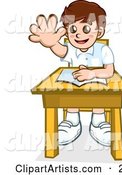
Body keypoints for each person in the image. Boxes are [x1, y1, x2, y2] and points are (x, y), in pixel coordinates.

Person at [29, 0, 114, 147]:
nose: (79, 35)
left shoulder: (104, 50)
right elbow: (61, 50)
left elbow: (109, 71)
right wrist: (51, 43)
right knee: (67, 96)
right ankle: (72, 122)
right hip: (74, 89)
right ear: (67, 32)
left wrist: (92, 74)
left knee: (99, 98)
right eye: (73, 29)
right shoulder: (71, 49)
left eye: (86, 30)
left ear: (99, 32)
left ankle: (98, 122)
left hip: (98, 90)